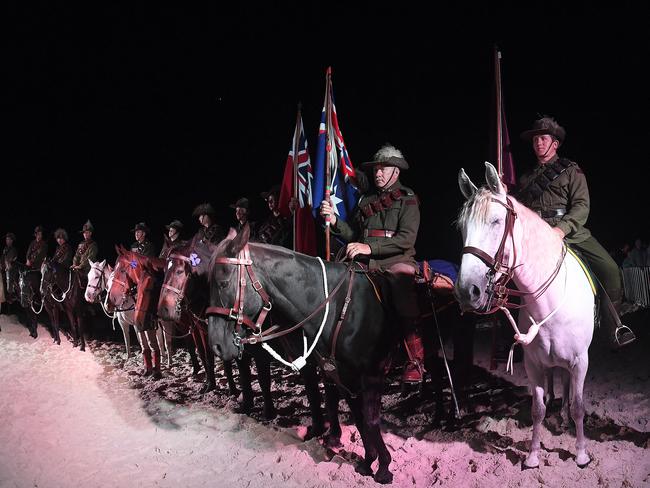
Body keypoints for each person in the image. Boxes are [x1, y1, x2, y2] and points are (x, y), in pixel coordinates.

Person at [517, 115, 635, 346]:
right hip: (535, 237)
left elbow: (582, 206)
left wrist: (562, 229)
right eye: (535, 140)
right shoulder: (525, 179)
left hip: (570, 233)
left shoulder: (571, 170)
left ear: (555, 143)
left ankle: (614, 328)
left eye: (543, 138)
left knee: (610, 270)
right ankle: (511, 334)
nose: (538, 143)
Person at [320, 143, 424, 383]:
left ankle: (415, 360)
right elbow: (353, 235)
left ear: (396, 172)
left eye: (383, 168)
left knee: (402, 287)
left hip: (396, 260)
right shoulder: (366, 201)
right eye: (376, 169)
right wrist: (334, 220)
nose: (377, 173)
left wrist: (370, 248)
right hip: (366, 263)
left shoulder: (407, 199)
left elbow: (405, 239)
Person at [1, 232, 18, 311]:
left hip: (11, 268)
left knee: (9, 279)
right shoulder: (5, 249)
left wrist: (5, 266)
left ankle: (11, 296)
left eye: (8, 239)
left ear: (11, 241)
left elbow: (9, 260)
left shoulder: (13, 249)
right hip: (4, 268)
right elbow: (2, 258)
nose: (7, 241)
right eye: (6, 239)